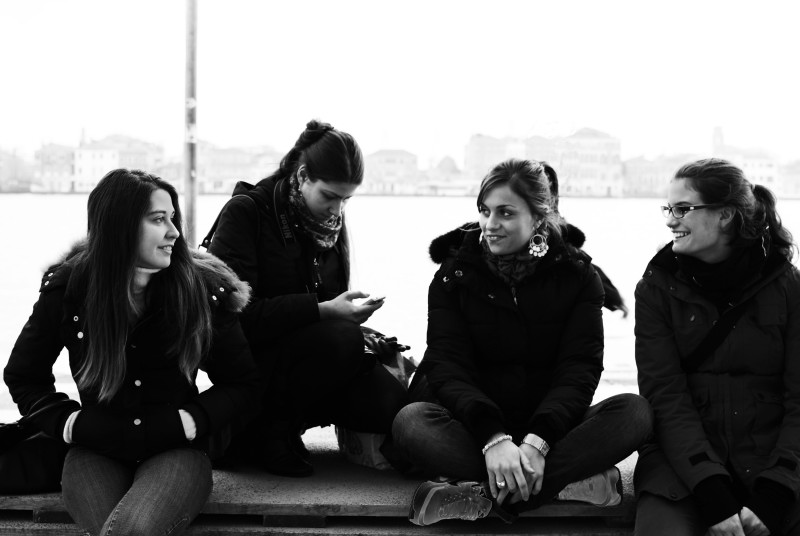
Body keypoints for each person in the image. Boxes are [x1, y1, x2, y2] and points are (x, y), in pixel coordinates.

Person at [392, 158, 652, 526]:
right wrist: (494, 439)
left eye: (505, 213)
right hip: (476, 430)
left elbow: (580, 369)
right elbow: (447, 366)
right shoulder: (454, 277)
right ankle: (563, 483)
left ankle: (486, 494)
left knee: (635, 412)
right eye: (484, 211)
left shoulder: (579, 277)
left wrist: (537, 442)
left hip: (550, 430)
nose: (490, 224)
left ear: (539, 218)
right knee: (411, 423)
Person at [3, 169, 261, 536]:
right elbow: (23, 376)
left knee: (132, 530)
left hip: (177, 452)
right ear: (119, 228)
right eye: (159, 220)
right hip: (95, 452)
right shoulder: (69, 290)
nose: (174, 232)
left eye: (173, 218)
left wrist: (189, 421)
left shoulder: (201, 292)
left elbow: (243, 384)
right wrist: (72, 424)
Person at [207, 119, 409, 477]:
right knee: (340, 339)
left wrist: (352, 318)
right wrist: (324, 312)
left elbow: (326, 312)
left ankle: (279, 424)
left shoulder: (327, 226)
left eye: (346, 199)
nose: (337, 210)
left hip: (305, 359)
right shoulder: (246, 213)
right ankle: (267, 430)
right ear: (302, 177)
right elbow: (233, 319)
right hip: (250, 360)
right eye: (330, 196)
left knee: (389, 404)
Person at [635, 158, 800, 536]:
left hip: (774, 463)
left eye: (683, 209)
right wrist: (712, 490)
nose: (670, 220)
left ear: (725, 215)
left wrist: (777, 489)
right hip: (680, 470)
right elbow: (665, 395)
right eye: (668, 209)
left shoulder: (789, 287)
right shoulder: (655, 290)